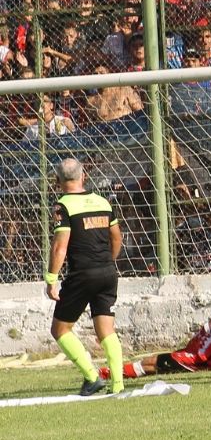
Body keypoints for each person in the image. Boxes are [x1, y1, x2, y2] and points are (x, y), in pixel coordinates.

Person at [99, 269, 211, 380]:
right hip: (203, 354)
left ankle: (105, 374)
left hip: (202, 359)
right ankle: (109, 373)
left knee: (152, 363)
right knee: (157, 361)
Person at [45, 158, 124, 395]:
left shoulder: (63, 206)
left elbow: (60, 246)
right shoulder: (102, 201)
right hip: (107, 271)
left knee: (60, 329)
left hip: (82, 275)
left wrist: (51, 279)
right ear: (84, 176)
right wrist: (107, 262)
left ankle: (92, 377)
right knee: (107, 330)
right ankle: (118, 385)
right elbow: (116, 237)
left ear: (57, 181)